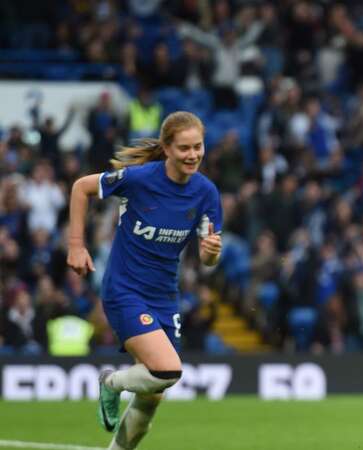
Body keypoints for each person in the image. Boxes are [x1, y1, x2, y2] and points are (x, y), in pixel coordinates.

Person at [66, 111, 223, 450]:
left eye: (198, 147)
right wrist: (76, 246)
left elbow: (209, 260)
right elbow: (81, 188)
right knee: (167, 370)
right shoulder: (138, 180)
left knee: (154, 396)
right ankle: (111, 382)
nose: (193, 154)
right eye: (184, 148)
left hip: (165, 296)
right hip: (125, 290)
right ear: (167, 148)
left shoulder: (206, 193)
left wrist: (211, 251)